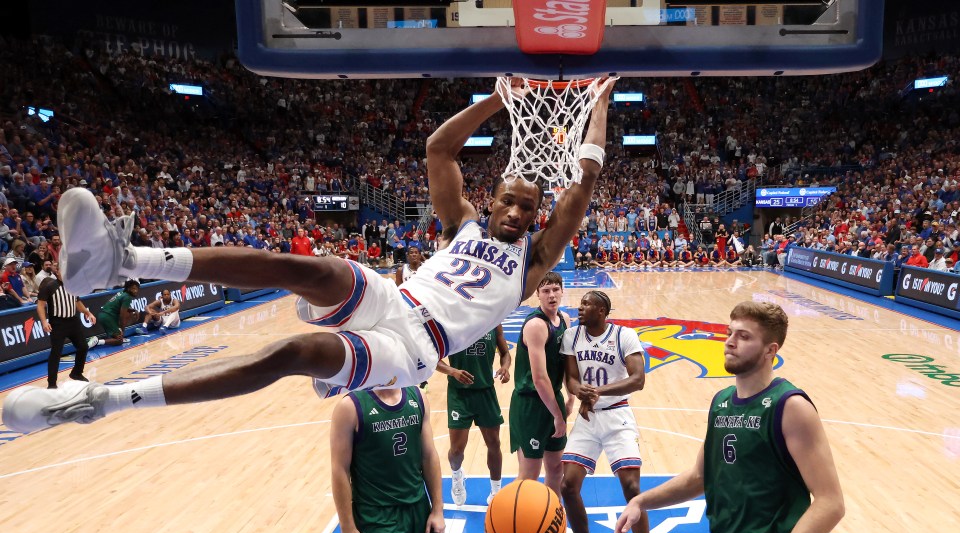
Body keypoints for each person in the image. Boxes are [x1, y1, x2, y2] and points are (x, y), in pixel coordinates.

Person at [3, 78, 614, 436]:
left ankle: (92, 402)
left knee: (294, 354)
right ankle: (120, 261)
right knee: (311, 268)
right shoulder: (464, 225)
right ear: (495, 196)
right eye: (508, 200)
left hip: (413, 350)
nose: (515, 213)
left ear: (537, 217)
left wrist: (600, 105)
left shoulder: (533, 263)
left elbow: (582, 187)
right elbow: (438, 148)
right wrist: (498, 98)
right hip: (396, 299)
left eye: (527, 209)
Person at [614, 302, 844, 533]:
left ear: (770, 350)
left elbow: (831, 502)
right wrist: (641, 501)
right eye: (729, 332)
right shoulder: (721, 402)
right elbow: (699, 477)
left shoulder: (790, 407)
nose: (730, 341)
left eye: (744, 336)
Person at [558, 291, 663, 533]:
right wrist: (580, 392)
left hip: (617, 415)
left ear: (602, 310)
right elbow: (571, 378)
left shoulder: (624, 335)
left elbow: (638, 379)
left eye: (587, 304)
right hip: (588, 418)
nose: (580, 307)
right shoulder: (571, 335)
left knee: (632, 487)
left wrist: (597, 392)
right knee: (568, 485)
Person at [329, 385, 444, 533]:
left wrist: (438, 509)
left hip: (417, 509)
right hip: (377, 516)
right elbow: (340, 470)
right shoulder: (350, 407)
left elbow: (429, 455)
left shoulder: (417, 396)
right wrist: (348, 529)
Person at [509, 272, 578, 533]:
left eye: (555, 289)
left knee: (556, 469)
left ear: (563, 292)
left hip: (553, 400)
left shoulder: (565, 321)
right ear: (538, 294)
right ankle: (513, 526)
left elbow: (567, 365)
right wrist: (558, 416)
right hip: (530, 404)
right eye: (546, 290)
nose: (551, 295)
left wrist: (570, 397)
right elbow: (539, 379)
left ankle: (552, 527)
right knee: (529, 474)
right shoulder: (536, 325)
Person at [437, 324, 511, 506]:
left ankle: (496, 491)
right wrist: (452, 371)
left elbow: (505, 353)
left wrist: (505, 367)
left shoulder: (493, 320)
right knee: (456, 451)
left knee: (494, 443)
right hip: (459, 393)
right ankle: (457, 476)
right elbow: (433, 357)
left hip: (485, 391)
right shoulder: (452, 320)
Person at [36, 264, 96, 389]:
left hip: (73, 321)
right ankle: (52, 384)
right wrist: (44, 322)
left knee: (83, 347)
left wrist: (87, 312)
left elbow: (77, 302)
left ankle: (76, 373)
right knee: (56, 353)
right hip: (58, 323)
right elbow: (40, 305)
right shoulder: (49, 287)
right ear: (57, 272)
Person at [88, 279, 139, 348]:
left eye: (137, 289)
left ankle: (104, 338)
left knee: (115, 336)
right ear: (128, 288)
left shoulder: (122, 292)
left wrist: (133, 310)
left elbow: (119, 306)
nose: (135, 290)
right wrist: (122, 331)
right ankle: (97, 341)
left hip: (104, 315)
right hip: (108, 317)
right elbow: (122, 316)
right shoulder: (127, 297)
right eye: (133, 288)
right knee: (119, 341)